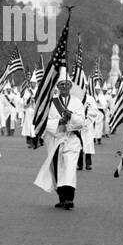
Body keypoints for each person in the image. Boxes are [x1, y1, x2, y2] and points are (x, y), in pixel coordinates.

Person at [34, 67, 85, 209]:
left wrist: (71, 117)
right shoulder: (52, 103)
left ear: (70, 86)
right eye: (61, 84)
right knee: (57, 169)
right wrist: (59, 122)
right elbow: (45, 121)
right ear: (57, 87)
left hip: (72, 140)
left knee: (69, 168)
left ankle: (69, 198)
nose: (64, 87)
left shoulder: (77, 102)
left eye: (66, 84)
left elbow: (81, 121)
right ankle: (62, 198)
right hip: (56, 140)